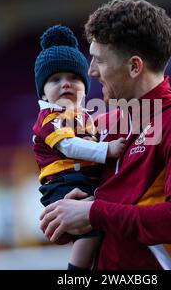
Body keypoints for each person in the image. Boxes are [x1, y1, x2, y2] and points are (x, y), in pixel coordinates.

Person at [39, 0, 171, 270]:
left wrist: (93, 212)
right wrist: (66, 209)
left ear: (135, 67)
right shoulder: (100, 125)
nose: (91, 71)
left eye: (99, 60)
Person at [32, 25, 126, 270]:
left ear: (85, 86)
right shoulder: (50, 118)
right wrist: (108, 150)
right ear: (43, 92)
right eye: (55, 80)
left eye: (74, 78)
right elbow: (70, 147)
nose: (66, 84)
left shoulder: (84, 116)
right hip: (63, 182)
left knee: (98, 229)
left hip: (81, 179)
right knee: (90, 232)